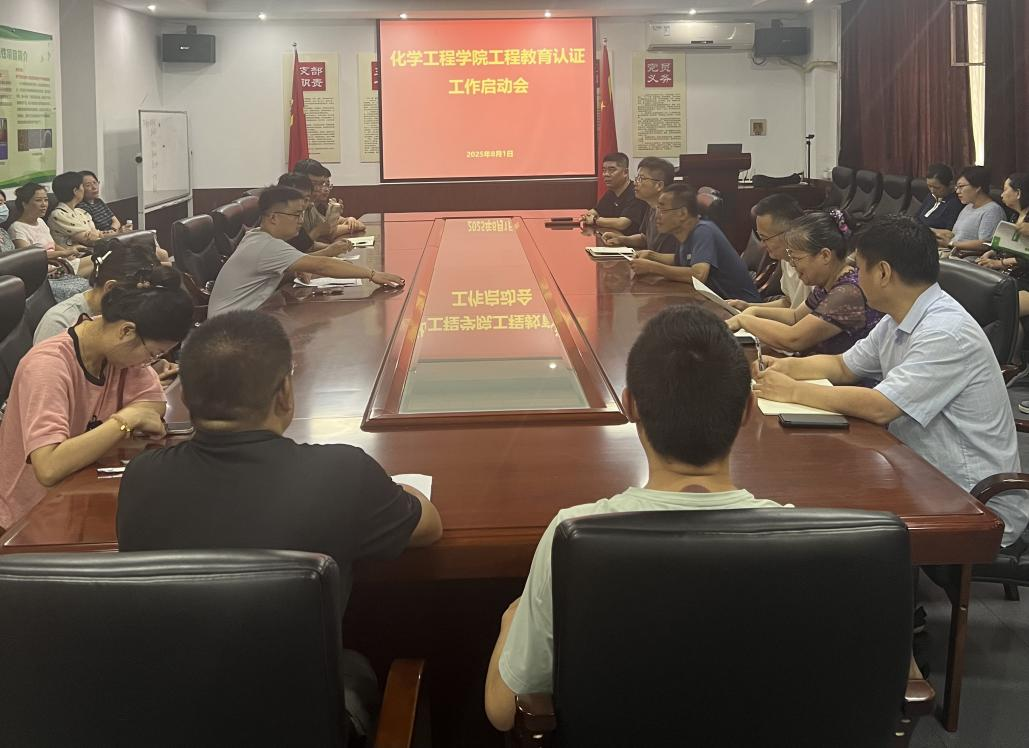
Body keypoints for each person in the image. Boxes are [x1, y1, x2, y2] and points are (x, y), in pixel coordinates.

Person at [117, 309, 443, 740]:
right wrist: (399, 489)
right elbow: (429, 527)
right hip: (298, 724)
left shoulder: (141, 477)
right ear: (285, 393)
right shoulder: (342, 473)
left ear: (187, 398)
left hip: (169, 719)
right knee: (357, 667)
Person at [484, 305, 789, 731]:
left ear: (630, 405)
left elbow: (503, 711)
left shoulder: (574, 535)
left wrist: (511, 620)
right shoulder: (811, 541)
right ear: (747, 411)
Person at [753, 214, 1028, 550]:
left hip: (971, 499)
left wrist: (794, 390)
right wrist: (785, 368)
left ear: (882, 273)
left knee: (825, 524)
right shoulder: (899, 317)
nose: (855, 277)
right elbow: (843, 366)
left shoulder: (945, 332)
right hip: (918, 470)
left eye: (859, 268)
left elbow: (881, 407)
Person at [0, 265, 193, 532]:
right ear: (126, 331)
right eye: (153, 354)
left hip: (79, 488)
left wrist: (133, 417)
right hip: (30, 515)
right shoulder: (47, 366)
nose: (150, 363)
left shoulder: (114, 352)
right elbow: (49, 467)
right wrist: (124, 421)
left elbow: (154, 403)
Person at [207, 186, 404, 317]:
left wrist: (300, 266)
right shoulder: (268, 246)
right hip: (228, 331)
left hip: (241, 319)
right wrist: (372, 274)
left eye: (302, 214)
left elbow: (305, 262)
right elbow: (321, 266)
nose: (301, 220)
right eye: (296, 214)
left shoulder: (258, 237)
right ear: (273, 218)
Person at [727, 210, 883, 356]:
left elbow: (794, 339)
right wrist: (753, 309)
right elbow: (795, 316)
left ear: (825, 255)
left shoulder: (848, 292)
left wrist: (744, 320)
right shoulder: (828, 283)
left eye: (796, 258)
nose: (792, 264)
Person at [628, 184, 761, 303]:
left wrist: (653, 268)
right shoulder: (687, 231)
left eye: (663, 210)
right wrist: (651, 255)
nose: (657, 216)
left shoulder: (703, 231)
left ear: (682, 213)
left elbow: (698, 275)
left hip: (740, 308)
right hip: (716, 303)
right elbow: (679, 259)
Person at [33, 237, 158, 344]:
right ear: (111, 288)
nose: (141, 307)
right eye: (137, 300)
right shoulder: (60, 323)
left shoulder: (123, 316)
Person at [10, 182, 91, 301]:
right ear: (24, 204)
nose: (44, 204)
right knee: (99, 265)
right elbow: (31, 258)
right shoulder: (17, 228)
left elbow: (53, 245)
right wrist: (64, 253)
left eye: (46, 200)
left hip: (61, 264)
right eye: (38, 200)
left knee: (101, 260)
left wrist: (69, 252)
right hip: (46, 273)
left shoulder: (41, 222)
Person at [727, 194, 809, 311]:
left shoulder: (813, 264)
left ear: (789, 233)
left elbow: (799, 316)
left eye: (765, 238)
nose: (762, 244)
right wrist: (747, 306)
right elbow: (789, 302)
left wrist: (752, 314)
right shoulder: (786, 258)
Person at [599, 157, 678, 253]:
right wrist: (621, 239)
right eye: (637, 178)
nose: (635, 183)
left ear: (659, 185)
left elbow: (677, 258)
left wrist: (649, 256)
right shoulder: (651, 207)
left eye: (641, 179)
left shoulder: (672, 214)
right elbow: (644, 238)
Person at [276, 172, 355, 256]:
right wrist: (329, 251)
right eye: (315, 184)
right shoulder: (280, 220)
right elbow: (296, 258)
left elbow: (308, 245)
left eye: (307, 199)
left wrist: (334, 247)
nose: (318, 189)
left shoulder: (303, 211)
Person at [937, 166, 1006, 256]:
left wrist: (951, 244)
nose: (957, 191)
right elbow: (956, 235)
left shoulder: (992, 210)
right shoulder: (968, 207)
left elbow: (985, 244)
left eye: (961, 187)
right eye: (956, 187)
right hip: (951, 253)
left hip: (966, 260)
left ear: (977, 187)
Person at [293, 158, 364, 240]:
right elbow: (300, 244)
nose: (318, 189)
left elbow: (327, 230)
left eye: (321, 184)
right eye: (314, 184)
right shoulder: (293, 206)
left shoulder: (311, 206)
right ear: (299, 182)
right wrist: (319, 232)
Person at [580, 152, 648, 235]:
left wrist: (595, 220)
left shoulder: (636, 192)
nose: (606, 174)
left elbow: (622, 223)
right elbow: (595, 211)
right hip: (613, 238)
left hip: (630, 241)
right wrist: (586, 216)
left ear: (625, 172)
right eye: (604, 170)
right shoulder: (611, 192)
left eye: (611, 170)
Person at [48, 171, 106, 249]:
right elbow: (89, 239)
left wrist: (118, 232)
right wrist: (95, 233)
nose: (84, 190)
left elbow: (95, 233)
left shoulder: (81, 212)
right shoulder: (58, 215)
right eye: (82, 186)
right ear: (75, 191)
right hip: (75, 254)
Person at [916, 163, 963, 232]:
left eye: (937, 188)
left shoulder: (956, 203)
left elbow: (949, 232)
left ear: (951, 184)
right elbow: (917, 217)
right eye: (929, 186)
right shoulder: (931, 196)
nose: (932, 190)